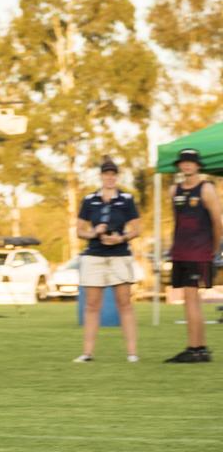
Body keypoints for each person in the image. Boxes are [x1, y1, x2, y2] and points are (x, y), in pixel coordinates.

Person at [73, 156, 140, 363]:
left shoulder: (126, 199)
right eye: (106, 174)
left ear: (117, 177)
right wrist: (94, 232)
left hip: (119, 254)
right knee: (92, 305)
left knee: (124, 304)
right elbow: (79, 230)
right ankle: (87, 353)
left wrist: (121, 237)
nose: (109, 178)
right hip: (94, 255)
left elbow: (137, 229)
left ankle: (132, 353)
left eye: (113, 174)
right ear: (101, 176)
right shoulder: (89, 199)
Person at [165, 148, 221, 363]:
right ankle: (200, 349)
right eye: (184, 162)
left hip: (200, 252)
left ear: (198, 165)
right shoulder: (174, 190)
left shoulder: (206, 189)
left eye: (191, 162)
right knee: (190, 301)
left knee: (191, 299)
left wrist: (215, 249)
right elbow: (177, 221)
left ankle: (195, 348)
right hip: (181, 252)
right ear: (180, 165)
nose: (187, 165)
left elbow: (218, 223)